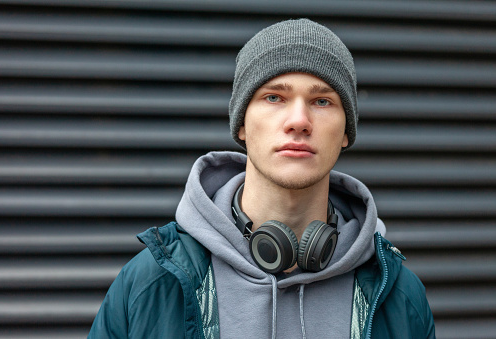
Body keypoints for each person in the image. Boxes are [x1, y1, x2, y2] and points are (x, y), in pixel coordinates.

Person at [88, 18, 435, 339]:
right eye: (274, 97)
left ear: (346, 131)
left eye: (322, 101)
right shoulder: (151, 282)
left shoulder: (400, 295)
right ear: (241, 123)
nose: (299, 120)